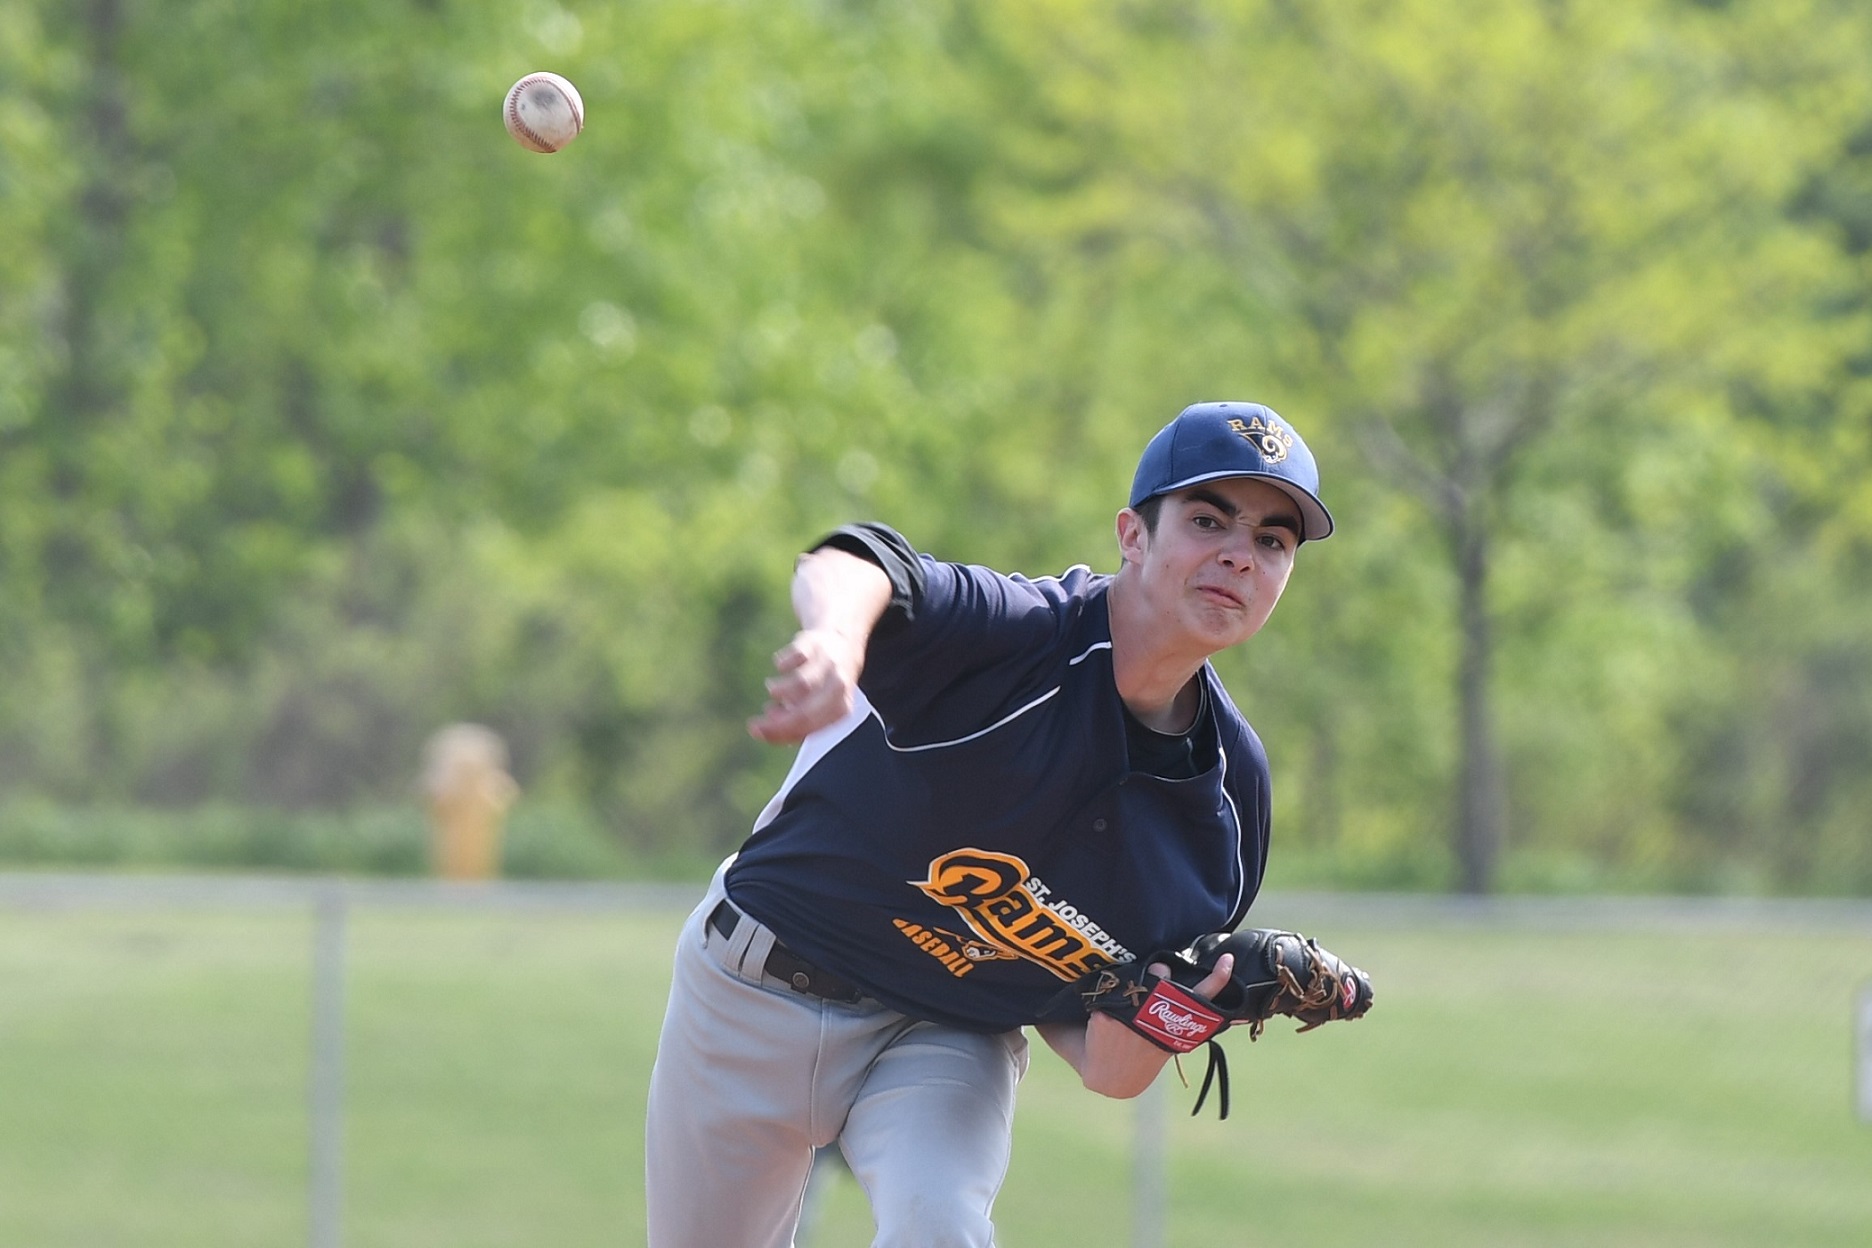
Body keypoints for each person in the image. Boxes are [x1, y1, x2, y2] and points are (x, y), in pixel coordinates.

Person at [645, 400, 1334, 1248]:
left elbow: (1107, 1066)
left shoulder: (1228, 799)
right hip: (758, 990)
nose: (1240, 553)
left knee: (942, 1232)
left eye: (1274, 539)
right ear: (1133, 535)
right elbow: (855, 557)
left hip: (948, 1032)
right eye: (1207, 519)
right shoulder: (1018, 639)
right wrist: (832, 640)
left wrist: (1197, 1004)